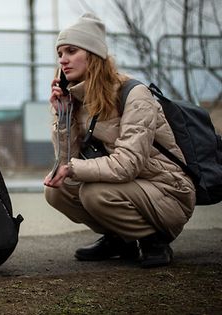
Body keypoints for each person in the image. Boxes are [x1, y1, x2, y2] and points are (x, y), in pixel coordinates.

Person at [43, 13, 195, 268]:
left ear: (93, 55)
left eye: (71, 51)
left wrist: (73, 168)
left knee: (94, 193)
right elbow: (67, 160)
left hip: (168, 190)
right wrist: (64, 114)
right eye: (60, 54)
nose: (63, 60)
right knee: (56, 191)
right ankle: (120, 237)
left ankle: (152, 241)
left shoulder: (134, 94)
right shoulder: (79, 99)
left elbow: (128, 164)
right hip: (130, 187)